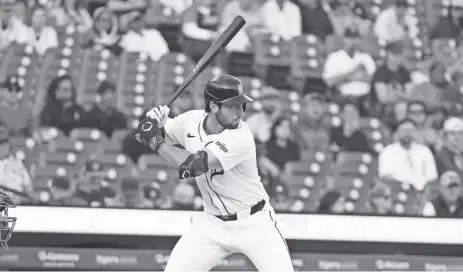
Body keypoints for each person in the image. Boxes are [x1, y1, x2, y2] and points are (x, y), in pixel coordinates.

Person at [134, 75, 294, 271]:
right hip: (212, 224)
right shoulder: (190, 120)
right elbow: (155, 134)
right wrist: (152, 121)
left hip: (254, 222)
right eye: (232, 106)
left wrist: (154, 140)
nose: (239, 111)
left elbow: (188, 165)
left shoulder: (240, 137)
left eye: (241, 105)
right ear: (213, 106)